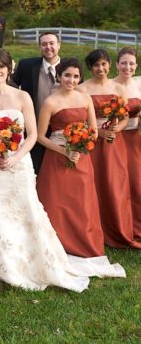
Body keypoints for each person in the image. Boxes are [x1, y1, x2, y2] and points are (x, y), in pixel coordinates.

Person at [36, 58, 126, 277]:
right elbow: (39, 136)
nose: (71, 80)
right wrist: (64, 151)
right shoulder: (50, 102)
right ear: (59, 76)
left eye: (76, 76)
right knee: (56, 203)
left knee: (82, 202)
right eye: (67, 75)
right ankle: (57, 245)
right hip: (57, 157)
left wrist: (82, 144)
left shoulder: (84, 98)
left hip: (83, 158)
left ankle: (84, 244)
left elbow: (94, 130)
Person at [79, 49, 140, 249]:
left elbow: (124, 117)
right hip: (92, 143)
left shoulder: (117, 87)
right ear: (90, 67)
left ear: (109, 65)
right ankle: (96, 229)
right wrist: (98, 132)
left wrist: (116, 128)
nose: (101, 68)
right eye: (96, 65)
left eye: (104, 64)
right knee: (94, 184)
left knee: (115, 184)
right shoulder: (83, 89)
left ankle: (117, 227)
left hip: (115, 143)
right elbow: (79, 120)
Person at [12, 32, 61, 174]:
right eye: (44, 44)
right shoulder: (27, 65)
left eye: (52, 43)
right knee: (35, 170)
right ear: (40, 47)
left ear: (59, 45)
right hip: (34, 129)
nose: (48, 47)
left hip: (61, 130)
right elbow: (12, 86)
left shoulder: (70, 67)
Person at [114, 47, 141, 239]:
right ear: (117, 64)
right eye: (124, 62)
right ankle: (120, 223)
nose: (127, 67)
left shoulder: (139, 85)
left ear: (136, 66)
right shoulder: (110, 85)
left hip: (136, 138)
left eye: (131, 63)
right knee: (119, 181)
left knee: (136, 181)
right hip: (117, 138)